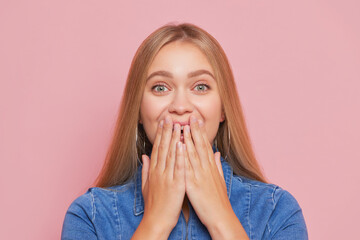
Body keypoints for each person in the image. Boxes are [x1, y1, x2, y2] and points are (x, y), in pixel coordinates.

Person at [61, 23, 308, 240]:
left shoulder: (277, 212)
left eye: (200, 87)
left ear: (223, 109)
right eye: (160, 88)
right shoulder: (89, 216)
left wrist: (220, 217)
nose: (180, 107)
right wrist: (155, 224)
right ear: (137, 109)